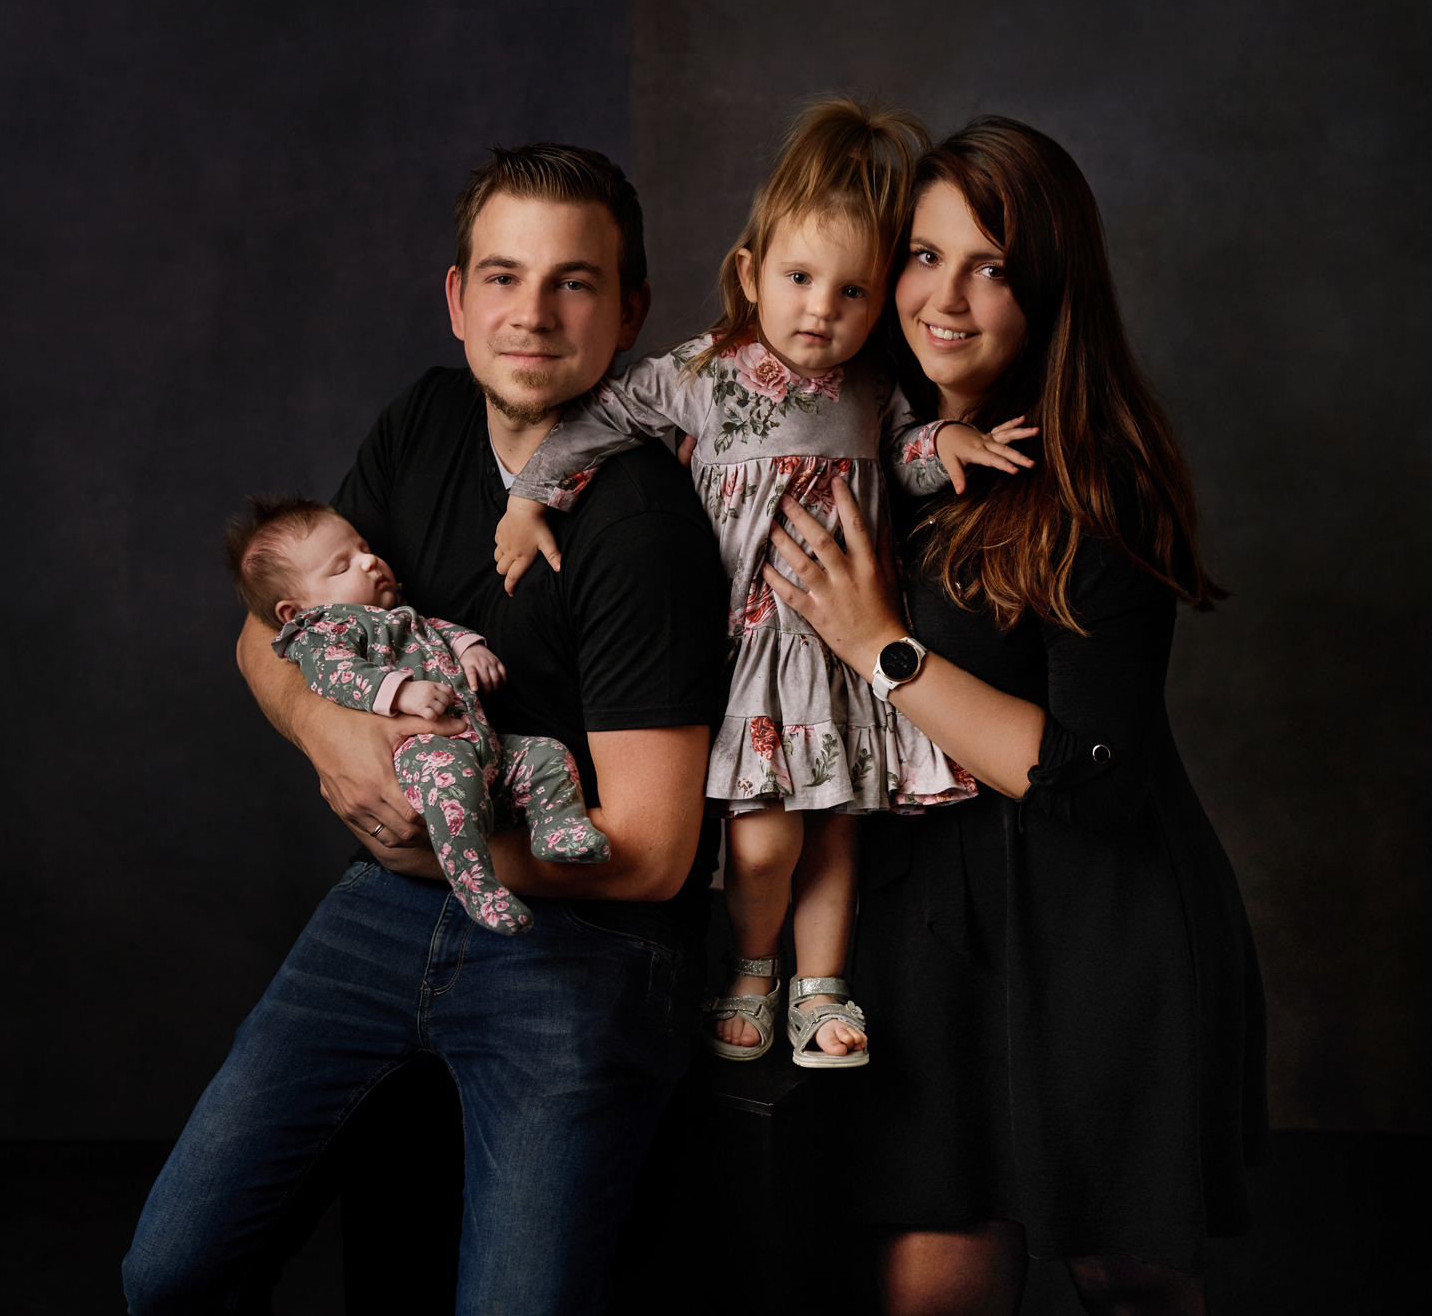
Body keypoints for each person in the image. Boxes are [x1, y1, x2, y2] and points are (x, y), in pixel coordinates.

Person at [123, 144, 729, 1315]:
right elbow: (268, 631)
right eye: (502, 277)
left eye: (573, 282)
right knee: (170, 1273)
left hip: (579, 946)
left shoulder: (642, 523)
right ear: (456, 298)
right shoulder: (427, 419)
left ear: (629, 314)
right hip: (387, 912)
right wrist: (328, 733)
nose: (531, 315)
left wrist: (431, 848)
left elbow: (653, 851)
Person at [758, 117, 1267, 1314]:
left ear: (1048, 289)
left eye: (989, 267)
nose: (944, 298)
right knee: (931, 1285)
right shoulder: (855, 435)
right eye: (924, 255)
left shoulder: (1095, 477)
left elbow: (1094, 774)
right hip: (926, 935)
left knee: (1128, 1278)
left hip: (1096, 926)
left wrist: (879, 649)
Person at [492, 99, 1035, 1068]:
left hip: (843, 652)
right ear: (750, 274)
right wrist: (532, 497)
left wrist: (947, 443)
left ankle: (821, 988)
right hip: (750, 650)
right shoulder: (705, 372)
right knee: (761, 843)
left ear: (880, 299)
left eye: (852, 291)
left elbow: (904, 455)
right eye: (798, 278)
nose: (821, 309)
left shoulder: (874, 386)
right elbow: (600, 417)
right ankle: (751, 968)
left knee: (834, 837)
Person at [224, 494, 611, 935]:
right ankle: (478, 884)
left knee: (546, 755)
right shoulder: (324, 633)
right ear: (296, 611)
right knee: (453, 794)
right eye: (342, 566)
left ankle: (559, 828)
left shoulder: (402, 616)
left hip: (485, 746)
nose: (369, 562)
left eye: (364, 548)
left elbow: (438, 630)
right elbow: (338, 674)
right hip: (423, 756)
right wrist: (401, 692)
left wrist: (469, 648)